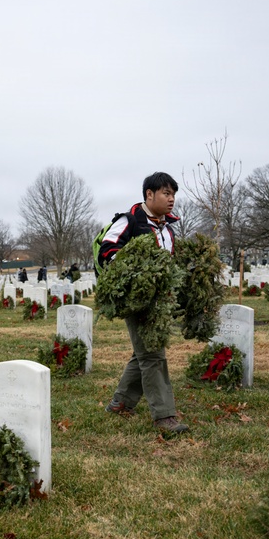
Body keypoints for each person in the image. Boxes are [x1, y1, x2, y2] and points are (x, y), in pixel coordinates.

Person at [97, 171, 188, 434]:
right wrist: (138, 274)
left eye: (173, 194)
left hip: (161, 301)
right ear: (149, 194)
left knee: (144, 352)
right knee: (152, 354)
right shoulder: (129, 221)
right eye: (166, 193)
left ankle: (121, 403)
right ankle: (164, 416)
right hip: (137, 300)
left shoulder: (168, 229)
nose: (171, 199)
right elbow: (107, 251)